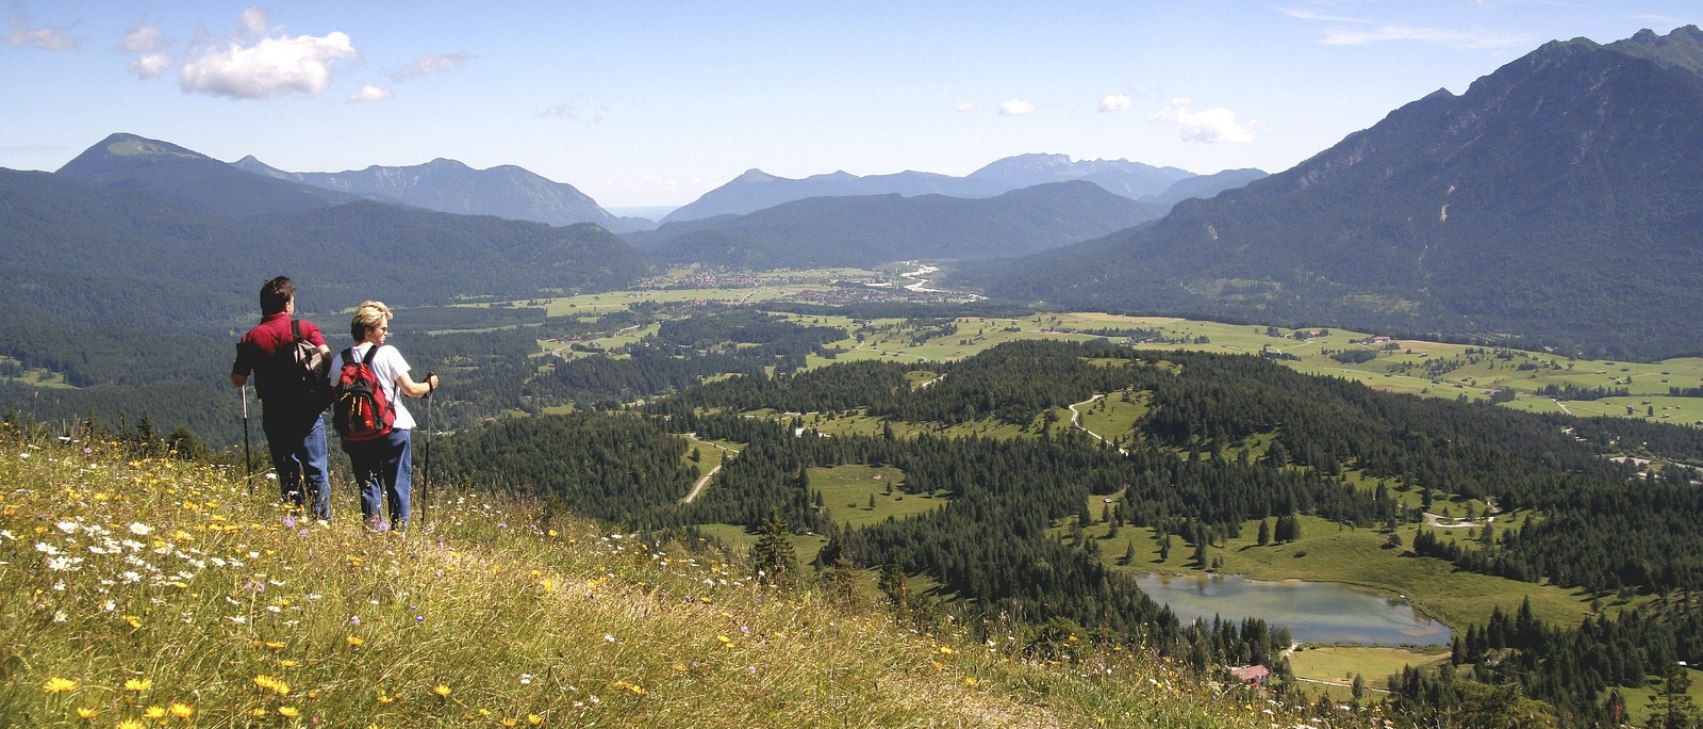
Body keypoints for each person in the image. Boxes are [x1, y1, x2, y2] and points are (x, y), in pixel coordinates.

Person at [230, 276, 333, 520]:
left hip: (275, 413)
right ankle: (322, 521)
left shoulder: (251, 337)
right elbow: (327, 358)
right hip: (307, 411)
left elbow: (238, 379)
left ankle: (293, 520)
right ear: (287, 304)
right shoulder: (303, 329)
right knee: (316, 470)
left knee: (288, 472)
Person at [330, 300, 438, 532]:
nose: (386, 333)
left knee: (368, 484)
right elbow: (411, 390)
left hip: (358, 433)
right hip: (392, 428)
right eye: (382, 328)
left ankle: (373, 533)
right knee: (398, 483)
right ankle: (399, 535)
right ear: (368, 330)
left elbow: (336, 398)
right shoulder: (387, 353)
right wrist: (430, 384)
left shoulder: (340, 360)